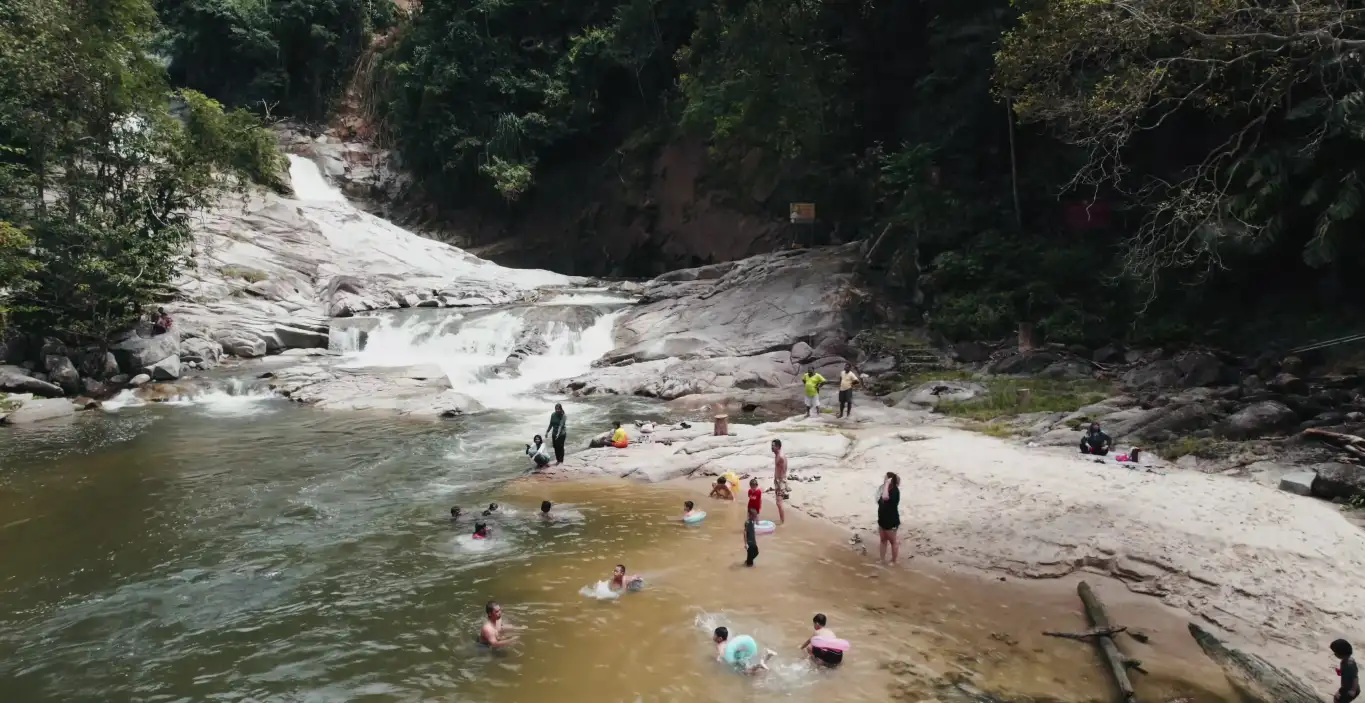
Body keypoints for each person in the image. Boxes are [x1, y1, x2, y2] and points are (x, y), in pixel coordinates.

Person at [877, 472, 901, 565]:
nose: (884, 479)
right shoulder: (884, 489)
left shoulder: (895, 491)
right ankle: (882, 559)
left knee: (893, 541)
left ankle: (894, 561)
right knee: (883, 540)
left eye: (886, 478)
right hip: (882, 520)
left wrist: (887, 484)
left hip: (891, 522)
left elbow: (886, 497)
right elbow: (880, 500)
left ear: (890, 480)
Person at [771, 439, 788, 524]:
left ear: (778, 446)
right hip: (778, 481)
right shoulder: (777, 454)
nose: (771, 447)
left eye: (773, 446)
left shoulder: (780, 456)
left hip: (780, 482)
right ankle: (781, 520)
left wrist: (781, 482)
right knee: (778, 502)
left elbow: (783, 469)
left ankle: (782, 522)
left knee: (779, 502)